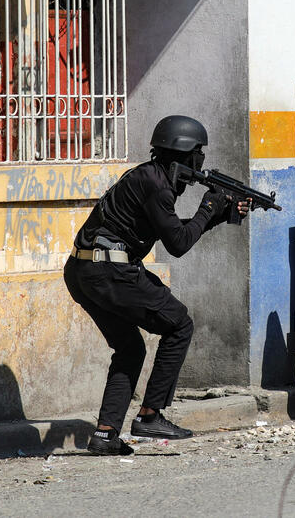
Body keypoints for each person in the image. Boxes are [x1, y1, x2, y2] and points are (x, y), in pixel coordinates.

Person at [64, 115, 249, 456]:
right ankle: (150, 415)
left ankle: (106, 434)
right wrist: (209, 207)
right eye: (199, 152)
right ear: (185, 152)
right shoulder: (158, 186)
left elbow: (173, 231)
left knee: (131, 349)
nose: (201, 161)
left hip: (82, 270)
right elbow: (178, 245)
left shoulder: (147, 177)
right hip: (109, 271)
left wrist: (220, 214)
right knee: (179, 324)